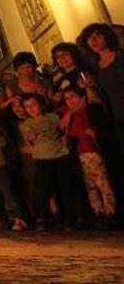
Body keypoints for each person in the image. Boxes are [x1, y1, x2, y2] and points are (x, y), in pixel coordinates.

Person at [60, 86, 116, 228]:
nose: (70, 100)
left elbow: (90, 98)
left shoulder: (84, 110)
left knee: (102, 183)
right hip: (78, 154)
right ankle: (99, 214)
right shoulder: (66, 113)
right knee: (90, 186)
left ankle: (111, 214)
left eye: (73, 96)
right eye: (66, 98)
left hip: (91, 151)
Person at [22, 94, 75, 230]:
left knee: (66, 187)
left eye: (33, 105)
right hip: (43, 158)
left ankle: (69, 218)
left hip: (60, 155)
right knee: (42, 189)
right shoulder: (27, 123)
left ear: (41, 104)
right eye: (27, 107)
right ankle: (41, 218)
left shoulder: (53, 117)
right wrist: (31, 139)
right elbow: (28, 140)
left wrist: (65, 140)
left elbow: (64, 132)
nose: (31, 109)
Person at [80, 23, 124, 158]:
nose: (93, 41)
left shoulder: (120, 57)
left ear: (107, 37)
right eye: (89, 38)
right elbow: (99, 97)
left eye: (97, 36)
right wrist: (90, 86)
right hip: (117, 118)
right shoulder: (94, 66)